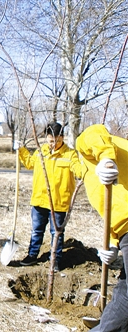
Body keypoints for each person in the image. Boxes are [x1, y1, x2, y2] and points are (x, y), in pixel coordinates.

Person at [76, 124, 128, 331]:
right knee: (125, 290)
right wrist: (113, 243)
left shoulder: (91, 149)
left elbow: (93, 132)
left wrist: (105, 159)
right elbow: (116, 206)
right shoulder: (90, 177)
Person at [16, 122, 81, 272]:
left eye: (58, 141)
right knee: (36, 230)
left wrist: (86, 171)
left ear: (62, 138)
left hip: (59, 202)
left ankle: (55, 260)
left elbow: (78, 169)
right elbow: (29, 164)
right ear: (46, 138)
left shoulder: (70, 154)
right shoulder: (41, 152)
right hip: (39, 199)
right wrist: (21, 150)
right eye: (51, 140)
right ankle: (32, 256)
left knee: (56, 232)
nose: (54, 144)